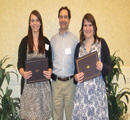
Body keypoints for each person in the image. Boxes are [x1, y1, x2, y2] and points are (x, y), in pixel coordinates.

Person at [72, 13, 111, 120]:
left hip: (97, 94)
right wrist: (76, 77)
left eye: (90, 25)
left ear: (94, 27)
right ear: (82, 28)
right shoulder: (78, 47)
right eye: (85, 25)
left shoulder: (101, 43)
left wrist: (103, 67)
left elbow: (109, 67)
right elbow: (75, 72)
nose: (88, 28)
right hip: (82, 95)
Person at [17, 10, 52, 120]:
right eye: (32, 20)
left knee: (43, 116)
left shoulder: (46, 41)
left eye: (37, 20)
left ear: (40, 23)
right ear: (29, 23)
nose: (35, 23)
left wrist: (49, 72)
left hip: (43, 87)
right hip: (29, 87)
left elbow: (50, 63)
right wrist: (23, 73)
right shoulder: (24, 41)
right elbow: (20, 63)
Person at [50, 6, 79, 120]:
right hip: (56, 83)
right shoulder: (53, 40)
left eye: (65, 17)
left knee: (71, 115)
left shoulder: (75, 39)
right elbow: (50, 62)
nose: (63, 20)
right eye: (61, 17)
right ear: (58, 19)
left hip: (70, 84)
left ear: (69, 19)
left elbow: (78, 61)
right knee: (56, 116)